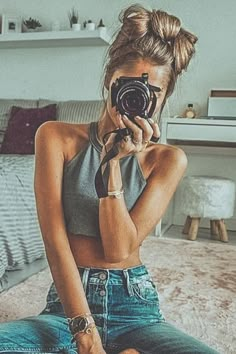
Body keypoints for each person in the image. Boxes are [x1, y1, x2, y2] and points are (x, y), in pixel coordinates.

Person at [0, 4, 219, 354]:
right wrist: (86, 338)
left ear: (164, 97)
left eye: (153, 92)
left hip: (135, 309)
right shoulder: (55, 136)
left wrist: (112, 165)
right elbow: (56, 244)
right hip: (67, 310)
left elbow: (118, 250)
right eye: (127, 86)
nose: (138, 99)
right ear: (109, 81)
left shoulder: (168, 160)